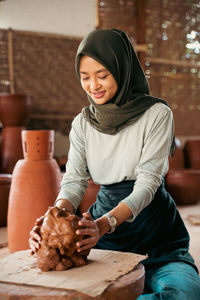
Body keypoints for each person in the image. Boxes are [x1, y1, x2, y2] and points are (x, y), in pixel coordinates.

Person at [29, 29, 200, 299]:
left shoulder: (156, 114)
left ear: (122, 70)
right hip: (107, 243)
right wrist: (53, 220)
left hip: (158, 239)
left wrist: (105, 223)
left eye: (102, 75)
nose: (93, 85)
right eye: (85, 77)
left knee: (183, 294)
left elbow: (149, 183)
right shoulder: (83, 123)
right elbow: (74, 181)